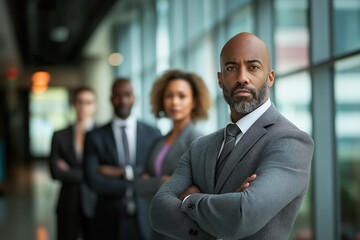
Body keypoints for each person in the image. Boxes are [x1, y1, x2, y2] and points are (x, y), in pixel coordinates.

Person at [150, 32, 314, 240]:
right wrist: (223, 212)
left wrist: (189, 198)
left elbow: (244, 214)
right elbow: (158, 211)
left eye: (253, 67)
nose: (242, 77)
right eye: (231, 68)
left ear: (270, 77)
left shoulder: (291, 141)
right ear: (220, 79)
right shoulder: (200, 147)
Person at [134, 69, 212, 239]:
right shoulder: (158, 141)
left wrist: (153, 182)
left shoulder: (199, 140)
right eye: (169, 96)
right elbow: (138, 184)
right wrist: (164, 181)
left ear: (193, 102)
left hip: (184, 228)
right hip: (157, 226)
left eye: (182, 96)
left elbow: (198, 190)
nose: (174, 102)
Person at [83, 78, 162, 240]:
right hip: (107, 219)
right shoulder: (95, 136)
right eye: (118, 96)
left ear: (134, 97)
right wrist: (138, 182)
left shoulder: (153, 134)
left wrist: (123, 172)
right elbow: (93, 180)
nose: (123, 100)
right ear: (111, 99)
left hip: (146, 219)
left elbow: (156, 173)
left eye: (127, 95)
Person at [49, 86, 97, 240]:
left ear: (94, 106)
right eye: (80, 102)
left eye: (88, 103)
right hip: (67, 203)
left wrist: (69, 171)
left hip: (96, 203)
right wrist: (92, 172)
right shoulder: (59, 136)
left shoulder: (103, 135)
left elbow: (107, 171)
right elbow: (55, 172)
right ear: (73, 104)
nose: (83, 107)